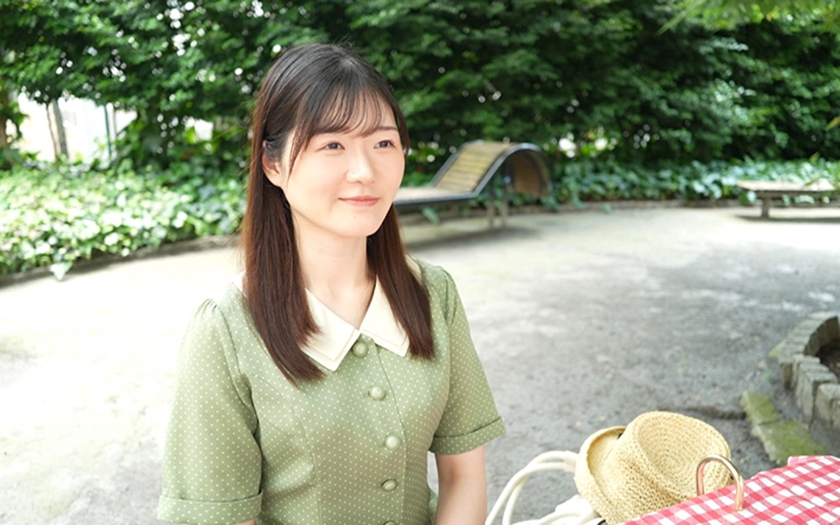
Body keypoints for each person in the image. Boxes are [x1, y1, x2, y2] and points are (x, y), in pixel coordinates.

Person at [157, 42, 505, 525]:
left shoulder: (432, 293)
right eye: (332, 145)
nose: (365, 172)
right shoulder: (227, 329)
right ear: (273, 165)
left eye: (383, 143)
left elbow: (463, 476)